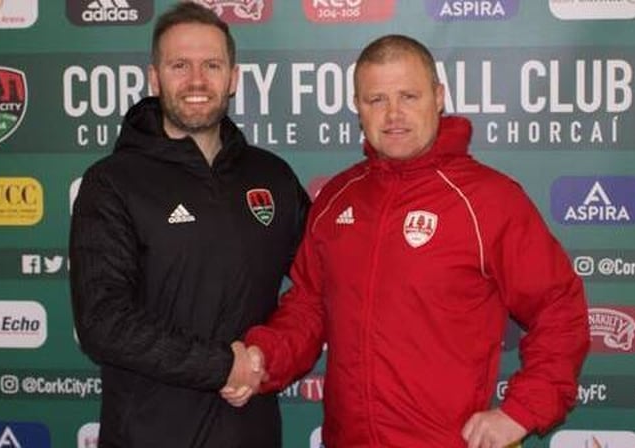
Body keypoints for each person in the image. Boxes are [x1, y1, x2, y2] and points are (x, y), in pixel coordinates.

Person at [224, 35, 590, 447]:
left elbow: (559, 308)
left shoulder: (489, 200)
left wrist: (521, 411)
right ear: (357, 106)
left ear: (439, 97)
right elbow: (308, 306)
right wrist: (264, 357)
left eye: (409, 96)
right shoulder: (337, 198)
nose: (393, 114)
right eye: (376, 99)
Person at [68, 3, 308, 447]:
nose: (197, 80)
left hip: (251, 434)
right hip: (147, 436)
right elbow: (102, 322)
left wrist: (269, 355)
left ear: (233, 78)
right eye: (179, 65)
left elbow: (321, 284)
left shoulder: (273, 176)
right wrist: (221, 367)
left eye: (211, 65)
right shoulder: (113, 182)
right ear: (154, 78)